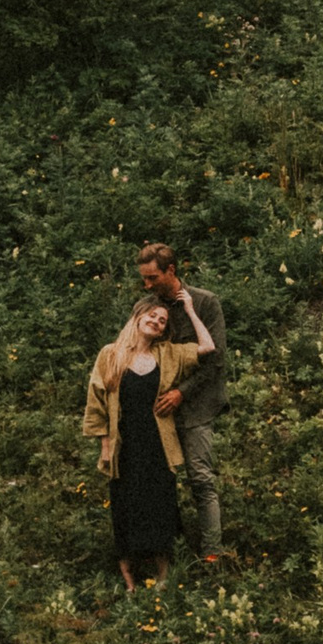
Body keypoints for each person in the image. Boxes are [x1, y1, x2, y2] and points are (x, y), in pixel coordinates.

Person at [80, 295, 211, 595]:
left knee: (160, 505)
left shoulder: (168, 354)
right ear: (138, 317)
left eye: (162, 320)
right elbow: (97, 401)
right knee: (126, 507)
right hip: (124, 446)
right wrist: (104, 443)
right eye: (152, 316)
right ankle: (129, 581)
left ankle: (162, 575)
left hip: (157, 445)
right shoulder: (110, 354)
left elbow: (207, 347)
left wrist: (189, 309)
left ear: (164, 331)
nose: (156, 321)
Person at [135, 239, 229, 558]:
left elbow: (215, 363)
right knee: (161, 481)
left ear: (171, 270)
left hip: (197, 406)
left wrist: (181, 392)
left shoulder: (204, 303)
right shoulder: (150, 307)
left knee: (200, 479)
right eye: (144, 278)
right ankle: (167, 550)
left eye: (152, 278)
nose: (147, 284)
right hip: (159, 408)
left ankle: (212, 554)